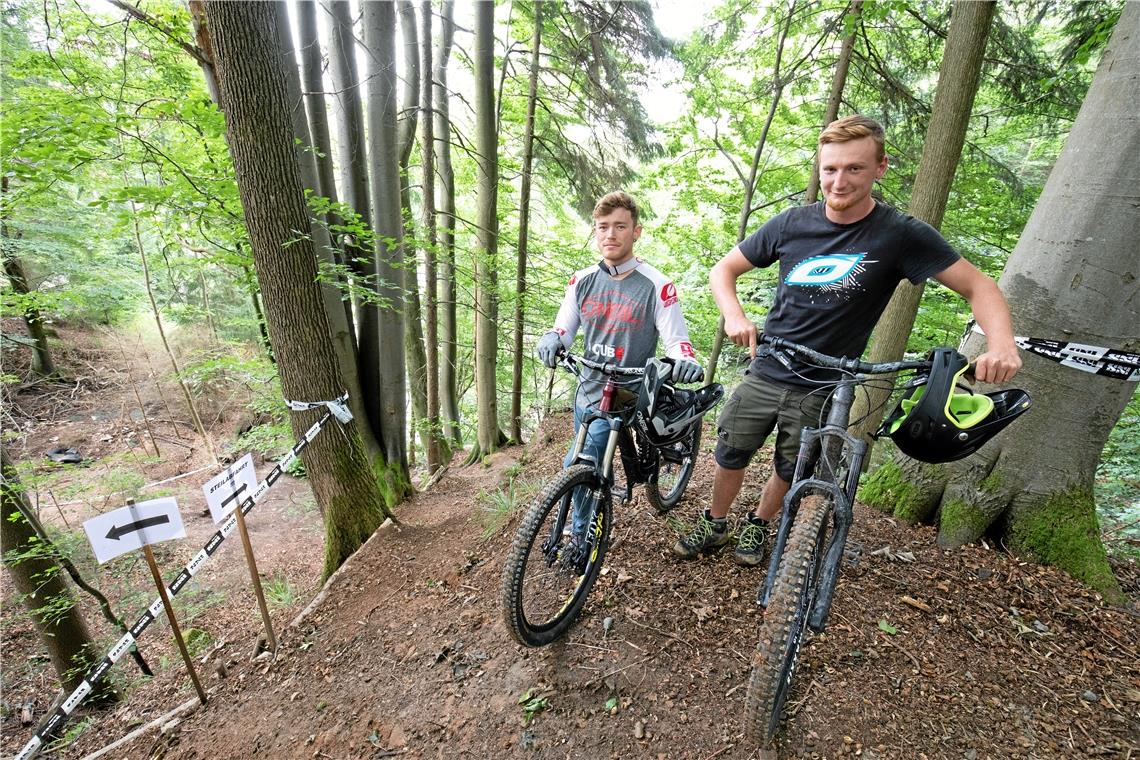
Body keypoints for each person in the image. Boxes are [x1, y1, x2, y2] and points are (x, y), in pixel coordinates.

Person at [673, 115, 1022, 566]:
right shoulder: (791, 223)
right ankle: (716, 521)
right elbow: (724, 270)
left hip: (825, 383)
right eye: (829, 169)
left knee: (790, 464)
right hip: (769, 365)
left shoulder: (900, 234)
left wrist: (1001, 344)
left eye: (854, 168)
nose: (838, 181)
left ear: (880, 168)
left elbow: (980, 287)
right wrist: (735, 316)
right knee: (731, 450)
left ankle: (758, 525)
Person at [537, 191, 703, 553]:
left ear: (636, 232)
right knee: (585, 460)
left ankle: (582, 535)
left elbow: (677, 340)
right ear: (595, 232)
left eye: (619, 227)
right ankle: (582, 523)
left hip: (630, 387)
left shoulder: (657, 285)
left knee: (585, 458)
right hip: (588, 385)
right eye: (602, 227)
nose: (610, 235)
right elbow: (564, 327)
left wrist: (685, 360)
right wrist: (552, 338)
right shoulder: (581, 280)